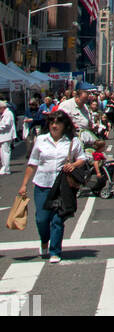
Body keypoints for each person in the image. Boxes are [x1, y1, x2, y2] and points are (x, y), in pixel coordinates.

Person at [17, 111, 86, 261]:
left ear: (64, 125)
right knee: (42, 219)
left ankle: (55, 251)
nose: (54, 125)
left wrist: (73, 165)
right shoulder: (41, 140)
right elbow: (32, 163)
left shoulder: (72, 141)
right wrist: (24, 185)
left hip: (62, 186)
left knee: (57, 219)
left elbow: (82, 158)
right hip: (42, 184)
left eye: (58, 123)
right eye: (52, 122)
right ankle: (44, 241)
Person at [0, 99, 16, 174]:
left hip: (6, 136)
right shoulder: (4, 114)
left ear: (2, 107)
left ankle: (6, 168)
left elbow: (6, 125)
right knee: (2, 153)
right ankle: (4, 167)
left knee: (6, 152)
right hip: (3, 136)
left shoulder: (8, 113)